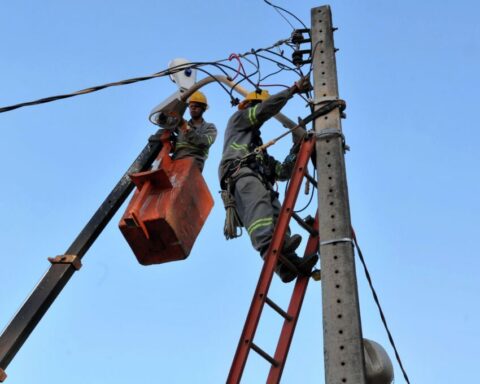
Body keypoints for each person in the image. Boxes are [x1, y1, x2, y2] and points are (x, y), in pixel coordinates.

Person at [219, 78, 318, 283]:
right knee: (260, 207)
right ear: (246, 106)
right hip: (241, 176)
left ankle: (287, 266)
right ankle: (269, 246)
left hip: (257, 179)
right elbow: (263, 110)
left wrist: (295, 150)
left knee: (278, 214)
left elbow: (281, 172)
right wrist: (292, 90)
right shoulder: (237, 120)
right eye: (255, 106)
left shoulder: (259, 153)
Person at [172, 91, 217, 172]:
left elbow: (204, 142)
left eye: (196, 106)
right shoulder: (181, 123)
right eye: (191, 106)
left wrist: (185, 128)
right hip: (175, 161)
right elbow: (168, 122)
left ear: (203, 109)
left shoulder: (210, 127)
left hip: (194, 164)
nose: (193, 108)